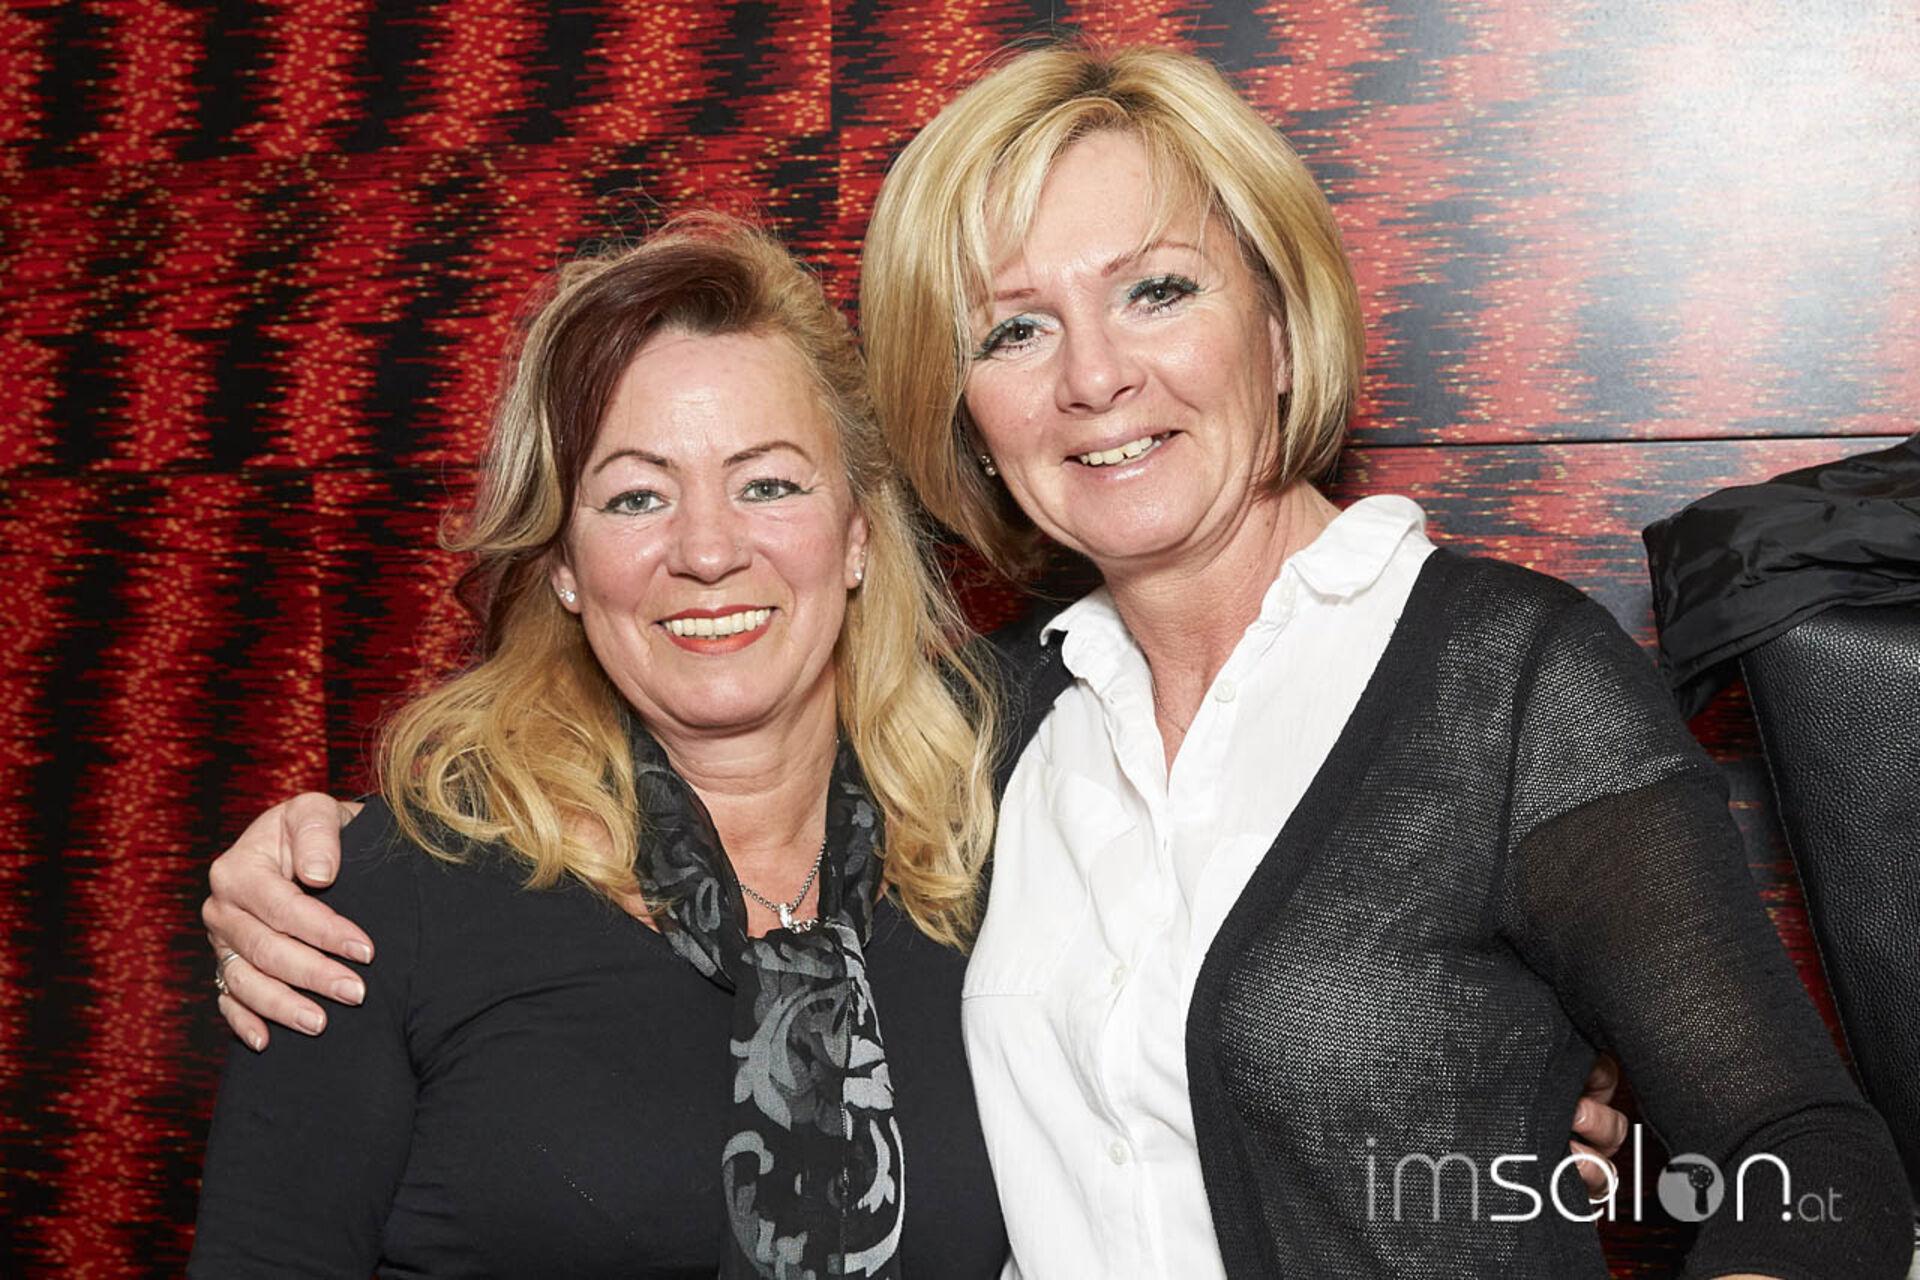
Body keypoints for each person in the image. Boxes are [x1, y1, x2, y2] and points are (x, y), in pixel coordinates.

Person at [192, 44, 1818, 1279]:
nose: (1093, 377)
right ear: (965, 409)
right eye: (1015, 327)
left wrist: (1505, 1143)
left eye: (1155, 291)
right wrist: (303, 858)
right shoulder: (1010, 731)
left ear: (1276, 321)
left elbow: (1791, 1162)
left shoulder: (1498, 678)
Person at [190, 214, 1010, 1278]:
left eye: (768, 484)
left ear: (857, 531)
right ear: (566, 565)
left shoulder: (999, 861)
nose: (707, 550)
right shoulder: (373, 908)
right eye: (636, 496)